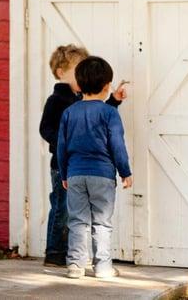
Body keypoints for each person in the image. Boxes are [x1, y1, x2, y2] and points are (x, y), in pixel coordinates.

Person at [39, 45, 126, 267]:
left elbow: (96, 113)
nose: (82, 75)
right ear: (61, 73)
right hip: (62, 165)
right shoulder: (57, 101)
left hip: (78, 167)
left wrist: (114, 101)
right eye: (78, 70)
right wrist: (65, 142)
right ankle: (55, 252)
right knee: (61, 208)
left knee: (73, 212)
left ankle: (73, 255)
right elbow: (45, 129)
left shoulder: (80, 99)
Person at [57, 56, 133, 279]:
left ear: (79, 86)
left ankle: (75, 265)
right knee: (101, 222)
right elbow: (117, 144)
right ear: (107, 86)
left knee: (77, 220)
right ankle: (102, 267)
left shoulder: (69, 113)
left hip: (76, 174)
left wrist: (64, 173)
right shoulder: (110, 113)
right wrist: (125, 172)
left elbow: (62, 146)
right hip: (102, 176)